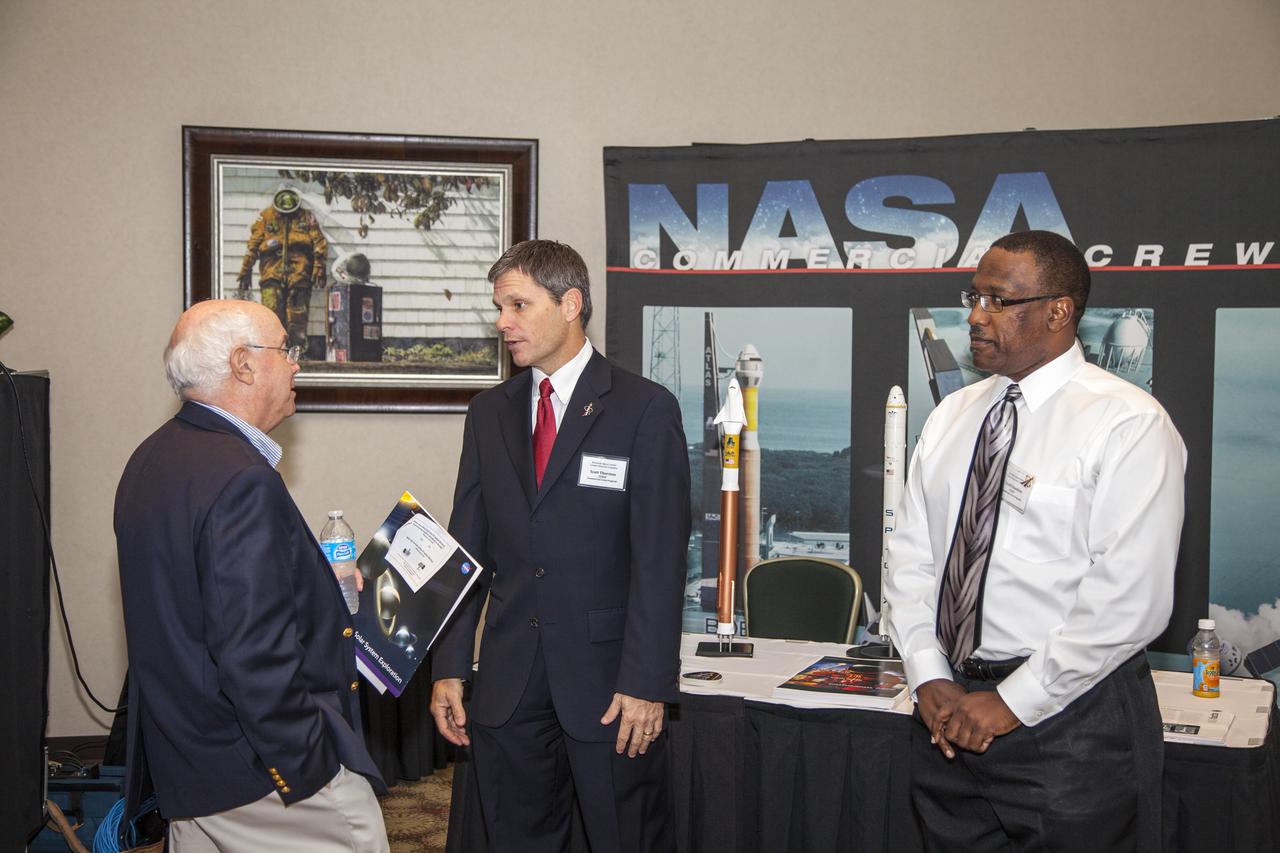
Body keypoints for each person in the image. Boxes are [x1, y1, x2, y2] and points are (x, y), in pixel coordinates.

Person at [884, 230, 1186, 851]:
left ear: (1058, 311)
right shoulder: (953, 416)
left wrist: (1013, 701)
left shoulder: (1127, 423)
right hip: (947, 718)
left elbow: (1130, 600)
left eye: (999, 301)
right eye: (974, 296)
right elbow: (912, 558)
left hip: (1073, 727)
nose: (974, 315)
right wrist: (928, 673)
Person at [430, 240, 691, 852]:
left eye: (518, 305)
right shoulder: (488, 412)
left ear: (570, 303)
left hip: (609, 687)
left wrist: (648, 681)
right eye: (499, 307)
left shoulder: (644, 409)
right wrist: (448, 669)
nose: (503, 323)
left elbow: (660, 560)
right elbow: (465, 548)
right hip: (507, 680)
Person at [115, 299, 388, 851]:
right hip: (261, 779)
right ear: (242, 364)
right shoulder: (240, 478)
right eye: (285, 349)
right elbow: (253, 652)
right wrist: (306, 769)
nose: (295, 365)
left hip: (189, 769)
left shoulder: (152, 458)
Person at [237, 187, 328, 353]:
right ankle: (272, 352)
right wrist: (246, 271)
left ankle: (297, 352)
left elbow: (319, 244)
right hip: (272, 275)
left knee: (297, 316)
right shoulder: (265, 218)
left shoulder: (307, 218)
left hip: (299, 275)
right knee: (271, 315)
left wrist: (319, 268)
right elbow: (253, 246)